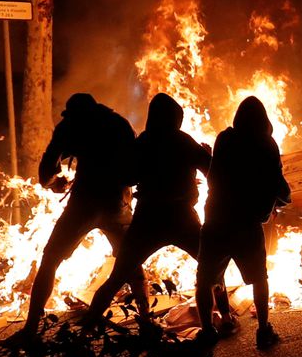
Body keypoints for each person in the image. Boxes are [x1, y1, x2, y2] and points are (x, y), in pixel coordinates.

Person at [83, 93, 235, 332]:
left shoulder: (144, 141)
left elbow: (128, 176)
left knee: (118, 275)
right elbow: (213, 173)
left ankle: (87, 326)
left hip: (148, 217)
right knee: (212, 267)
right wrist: (207, 158)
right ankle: (225, 318)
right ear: (176, 118)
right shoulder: (184, 141)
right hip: (181, 215)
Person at [8, 93, 147, 343]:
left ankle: (31, 329)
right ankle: (146, 320)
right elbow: (136, 167)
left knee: (50, 260)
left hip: (83, 205)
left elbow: (46, 172)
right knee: (131, 260)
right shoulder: (119, 124)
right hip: (117, 203)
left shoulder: (70, 126)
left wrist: (54, 183)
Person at [194, 96, 291, 352]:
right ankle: (263, 331)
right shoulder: (266, 144)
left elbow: (214, 177)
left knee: (205, 279)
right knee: (259, 278)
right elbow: (278, 184)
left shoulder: (225, 138)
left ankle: (207, 331)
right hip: (246, 224)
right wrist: (281, 200)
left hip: (216, 220)